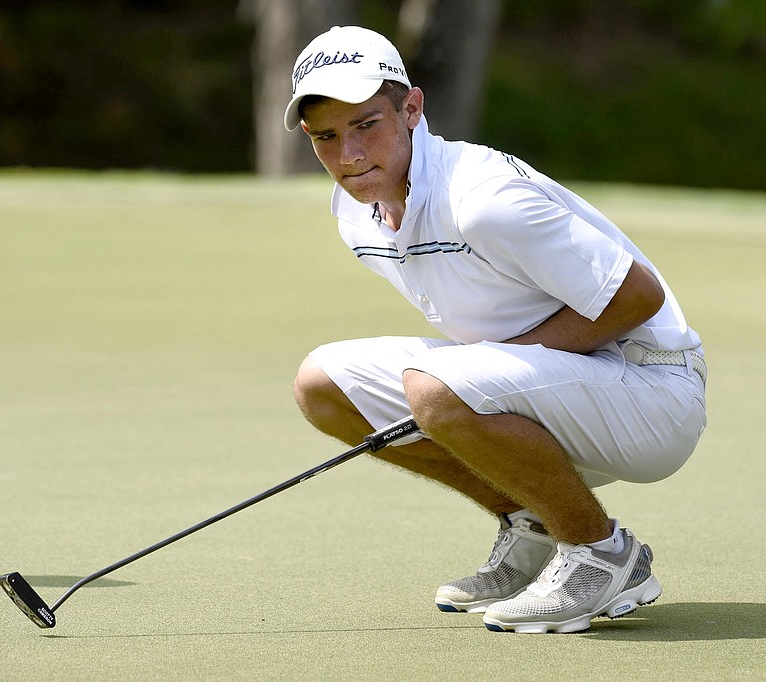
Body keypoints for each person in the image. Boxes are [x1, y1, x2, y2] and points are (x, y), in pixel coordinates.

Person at [284, 26, 707, 634]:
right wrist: (487, 375)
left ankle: (601, 554)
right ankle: (535, 524)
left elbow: (638, 297)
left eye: (366, 125)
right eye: (327, 136)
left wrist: (484, 374)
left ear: (411, 109)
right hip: (557, 380)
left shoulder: (483, 197)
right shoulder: (356, 210)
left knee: (436, 389)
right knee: (322, 384)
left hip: (652, 389)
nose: (349, 154)